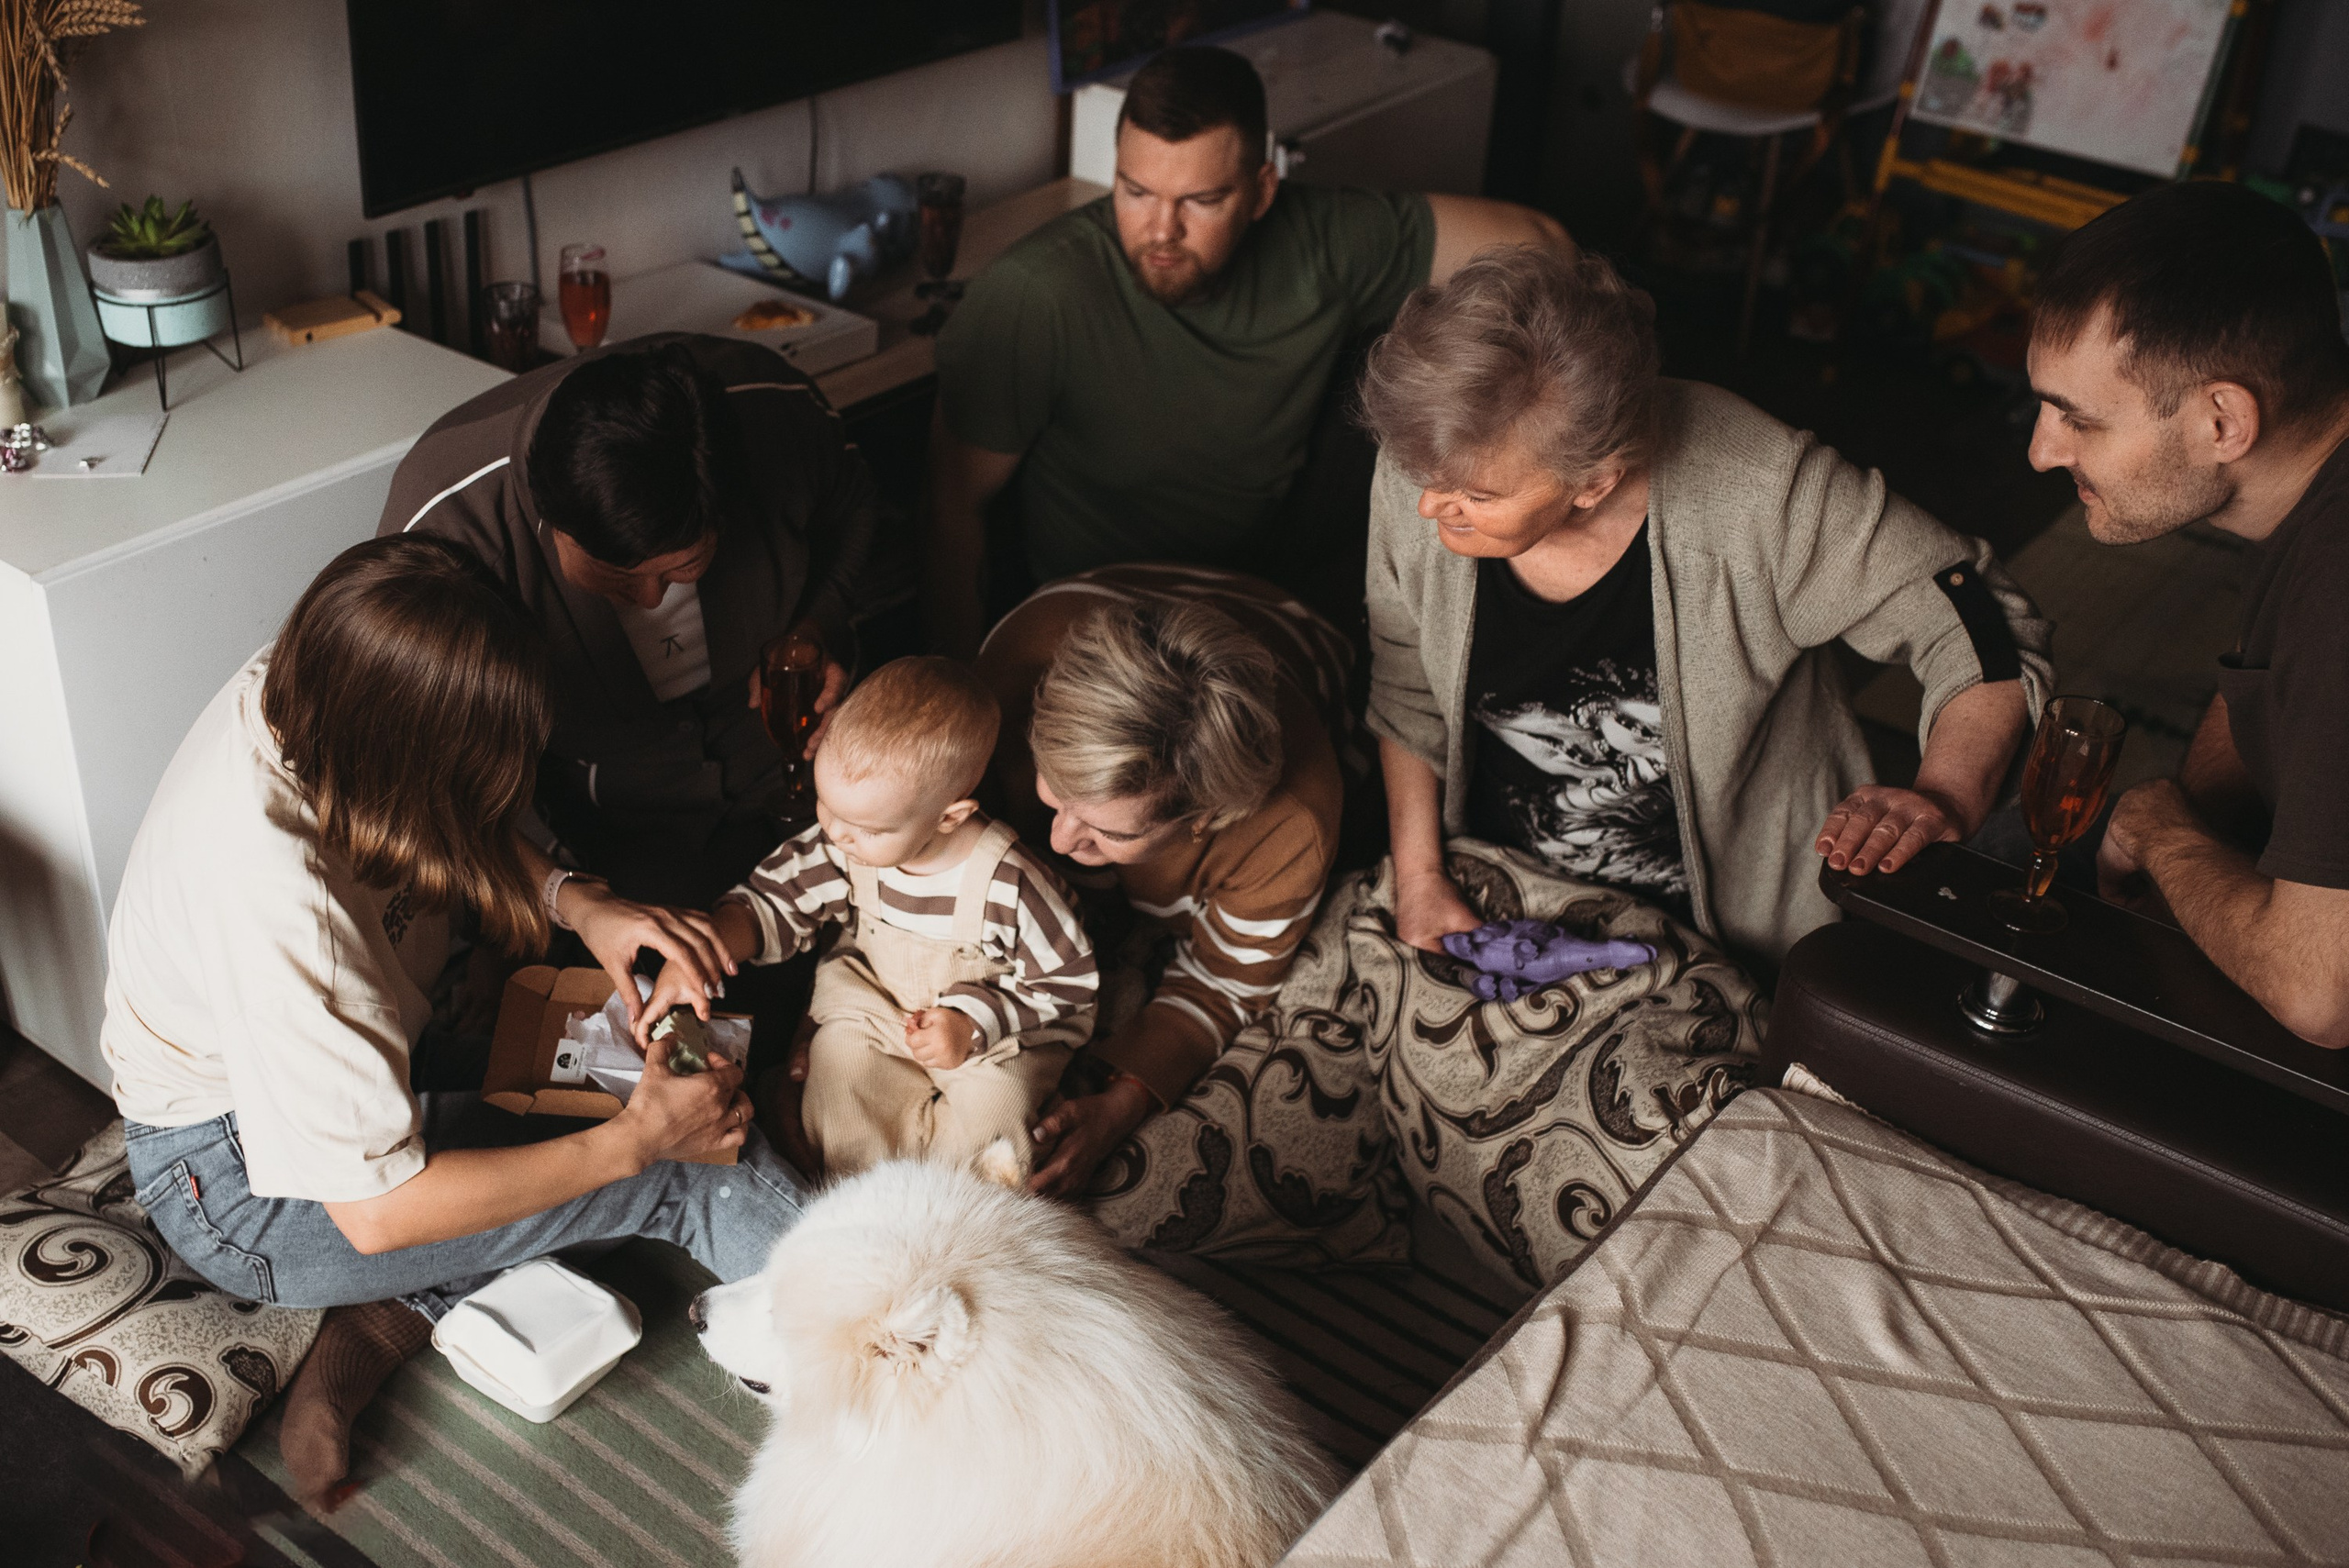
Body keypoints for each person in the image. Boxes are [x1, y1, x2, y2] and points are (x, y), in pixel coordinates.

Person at [103, 536, 788, 1504]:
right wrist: (637, 1142)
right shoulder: (275, 897)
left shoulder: (321, 678)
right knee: (686, 1159)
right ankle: (900, 1385)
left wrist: (576, 900)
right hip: (236, 1181)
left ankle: (383, 1313)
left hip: (375, 1072)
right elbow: (380, 1208)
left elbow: (445, 809)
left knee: (629, 1083)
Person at [1360, 245, 2053, 970]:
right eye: (1422, 474)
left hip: (1729, 933)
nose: (1428, 505)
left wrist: (1945, 792)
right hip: (1507, 892)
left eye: (1476, 496)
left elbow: (1978, 619)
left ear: (1594, 483)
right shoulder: (1434, 450)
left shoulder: (1757, 493)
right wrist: (1421, 878)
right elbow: (1405, 684)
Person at [928, 45, 1572, 654]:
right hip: (1094, 613)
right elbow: (953, 510)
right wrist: (963, 679)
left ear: (1263, 191)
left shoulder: (1323, 239)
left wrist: (1481, 380)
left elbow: (1541, 241)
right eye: (1135, 190)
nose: (1161, 230)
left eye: (1202, 201)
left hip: (1260, 596)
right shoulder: (1035, 294)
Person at [380, 332, 874, 924]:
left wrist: (821, 619)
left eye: (683, 572)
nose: (648, 600)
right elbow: (434, 769)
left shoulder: (773, 406)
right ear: (549, 519)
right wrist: (561, 895)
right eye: (615, 579)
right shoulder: (447, 527)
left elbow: (854, 503)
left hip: (803, 785)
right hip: (605, 836)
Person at [2023, 181, 2349, 1048]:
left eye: (2078, 418)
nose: (2042, 450)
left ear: (2222, 421)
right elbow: (2260, 683)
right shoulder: (2305, 493)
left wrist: (2157, 826)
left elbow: (2319, 993)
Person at [973, 565, 1351, 1195]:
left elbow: (1223, 980)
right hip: (1120, 599)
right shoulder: (1012, 668)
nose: (1060, 839)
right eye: (1053, 790)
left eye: (1109, 832)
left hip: (1308, 637)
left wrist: (1119, 1107)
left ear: (1208, 817)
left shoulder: (1291, 825)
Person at [645, 659, 1098, 1177]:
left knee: (993, 1135)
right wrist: (699, 955)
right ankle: (859, 1200)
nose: (837, 834)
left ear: (950, 816)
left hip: (990, 1039)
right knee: (839, 1094)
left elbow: (1068, 983)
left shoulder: (1013, 886)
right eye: (826, 806)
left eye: (865, 828)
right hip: (877, 1006)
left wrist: (973, 1021)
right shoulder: (846, 847)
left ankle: (946, 1222)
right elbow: (770, 903)